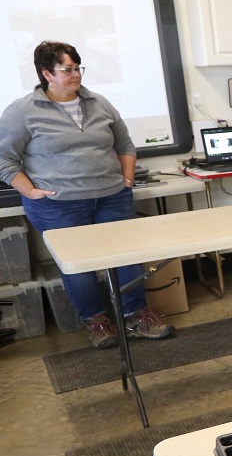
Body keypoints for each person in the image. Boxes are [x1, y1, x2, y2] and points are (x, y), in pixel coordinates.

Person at [0, 40, 175, 348]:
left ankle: (136, 315)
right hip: (57, 205)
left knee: (127, 258)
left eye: (77, 67)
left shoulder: (99, 102)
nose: (76, 74)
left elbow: (125, 145)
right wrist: (30, 191)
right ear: (46, 73)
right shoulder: (22, 111)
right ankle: (97, 322)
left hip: (112, 196)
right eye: (67, 69)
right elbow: (4, 158)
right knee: (77, 265)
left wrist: (128, 179)